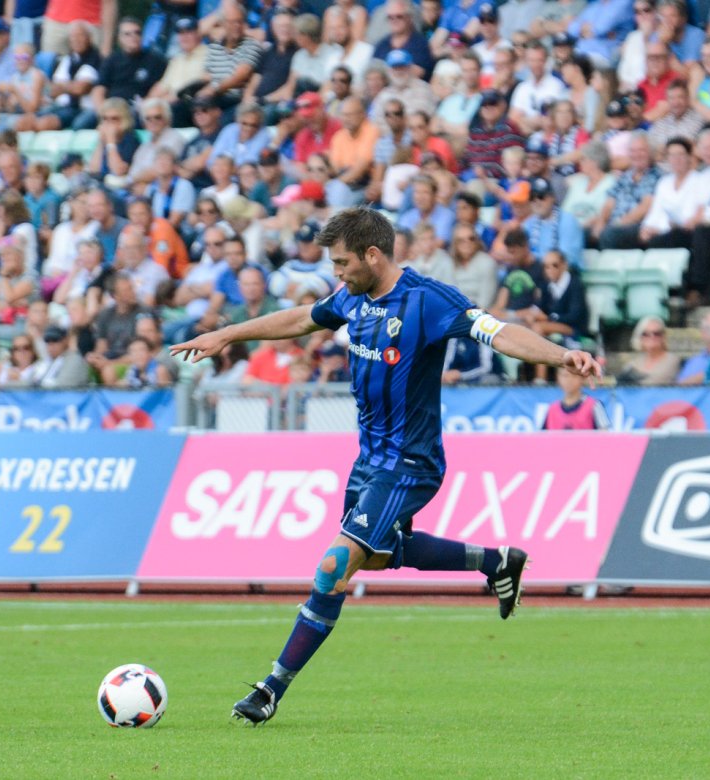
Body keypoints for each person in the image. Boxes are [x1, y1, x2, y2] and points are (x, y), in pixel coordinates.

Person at [169, 207, 601, 725]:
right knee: (374, 557)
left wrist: (561, 355)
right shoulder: (353, 295)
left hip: (411, 461)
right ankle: (495, 562)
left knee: (334, 566)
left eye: (343, 262)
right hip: (369, 458)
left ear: (373, 255)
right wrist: (228, 335)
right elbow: (302, 318)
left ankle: (270, 689)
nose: (338, 273)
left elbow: (499, 331)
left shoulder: (427, 300)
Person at [618, 315, 681, 385]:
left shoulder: (672, 360)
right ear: (640, 337)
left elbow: (654, 382)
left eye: (657, 333)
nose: (652, 337)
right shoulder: (632, 364)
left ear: (663, 337)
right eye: (645, 334)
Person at [543, 369, 611, 429]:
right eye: (565, 375)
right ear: (558, 377)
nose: (569, 380)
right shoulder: (551, 409)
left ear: (582, 377)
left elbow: (605, 437)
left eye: (574, 376)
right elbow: (541, 439)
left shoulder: (594, 406)